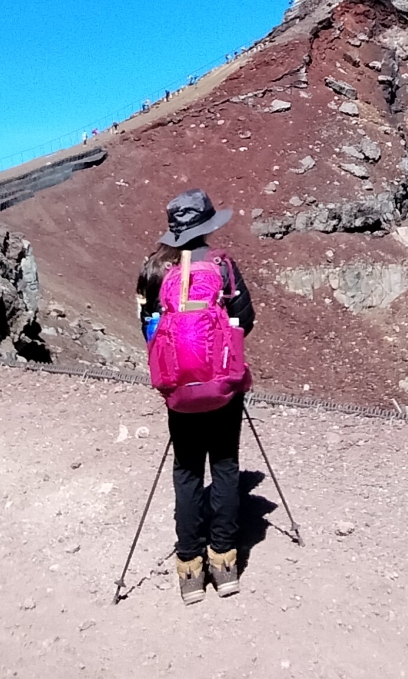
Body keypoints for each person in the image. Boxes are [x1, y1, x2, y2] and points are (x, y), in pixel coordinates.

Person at [137, 188, 256, 604]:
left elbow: (147, 328)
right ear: (208, 226)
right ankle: (224, 564)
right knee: (225, 467)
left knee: (187, 470)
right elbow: (246, 319)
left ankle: (189, 569)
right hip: (223, 384)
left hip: (178, 388)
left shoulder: (153, 270)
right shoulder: (221, 266)